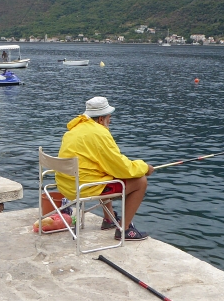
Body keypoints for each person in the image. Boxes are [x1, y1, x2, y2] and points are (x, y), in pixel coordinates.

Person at [55, 96, 154, 241]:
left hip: (66, 185)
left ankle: (109, 219)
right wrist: (144, 167)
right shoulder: (99, 133)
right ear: (101, 119)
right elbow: (121, 167)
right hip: (83, 188)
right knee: (141, 181)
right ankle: (124, 229)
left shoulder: (74, 129)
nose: (110, 120)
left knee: (103, 172)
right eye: (109, 117)